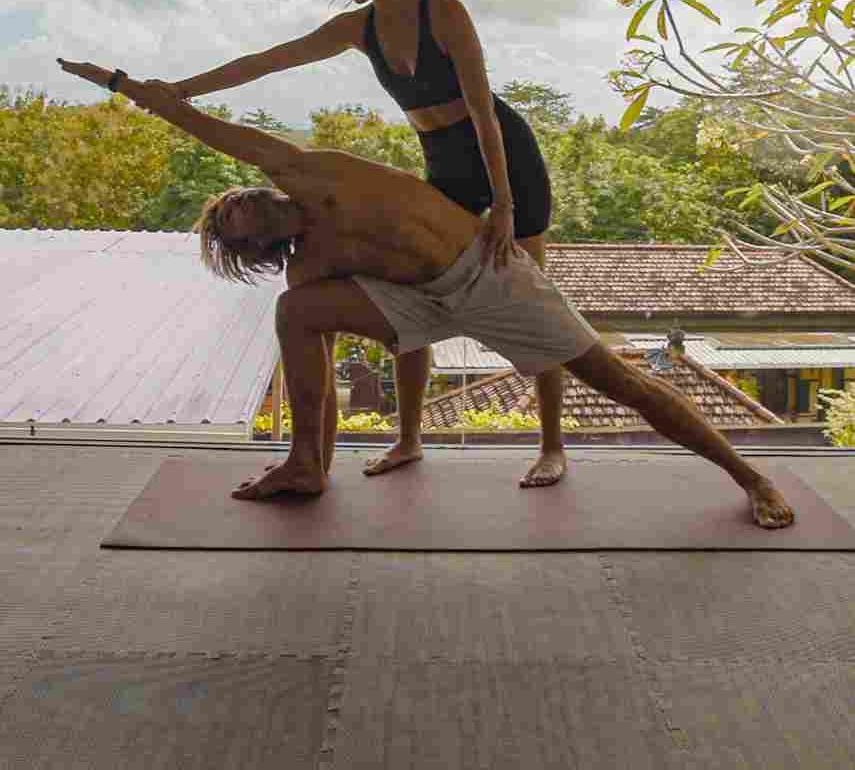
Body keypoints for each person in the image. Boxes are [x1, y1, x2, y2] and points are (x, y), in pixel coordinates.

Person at [56, 56, 795, 531]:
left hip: (486, 272)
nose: (240, 212)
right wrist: (319, 438)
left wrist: (125, 88)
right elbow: (319, 365)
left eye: (236, 203)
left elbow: (203, 125)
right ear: (252, 245)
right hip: (419, 300)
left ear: (258, 189)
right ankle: (306, 465)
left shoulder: (308, 168)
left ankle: (748, 474)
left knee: (617, 378)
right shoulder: (306, 269)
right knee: (296, 312)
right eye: (232, 226)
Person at [162, 0, 565, 489]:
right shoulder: (360, 29)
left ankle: (552, 447)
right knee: (415, 291)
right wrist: (179, 93)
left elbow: (482, 113)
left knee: (534, 304)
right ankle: (408, 439)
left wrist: (503, 204)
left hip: (506, 160)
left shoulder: (443, 12)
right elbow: (269, 60)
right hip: (444, 163)